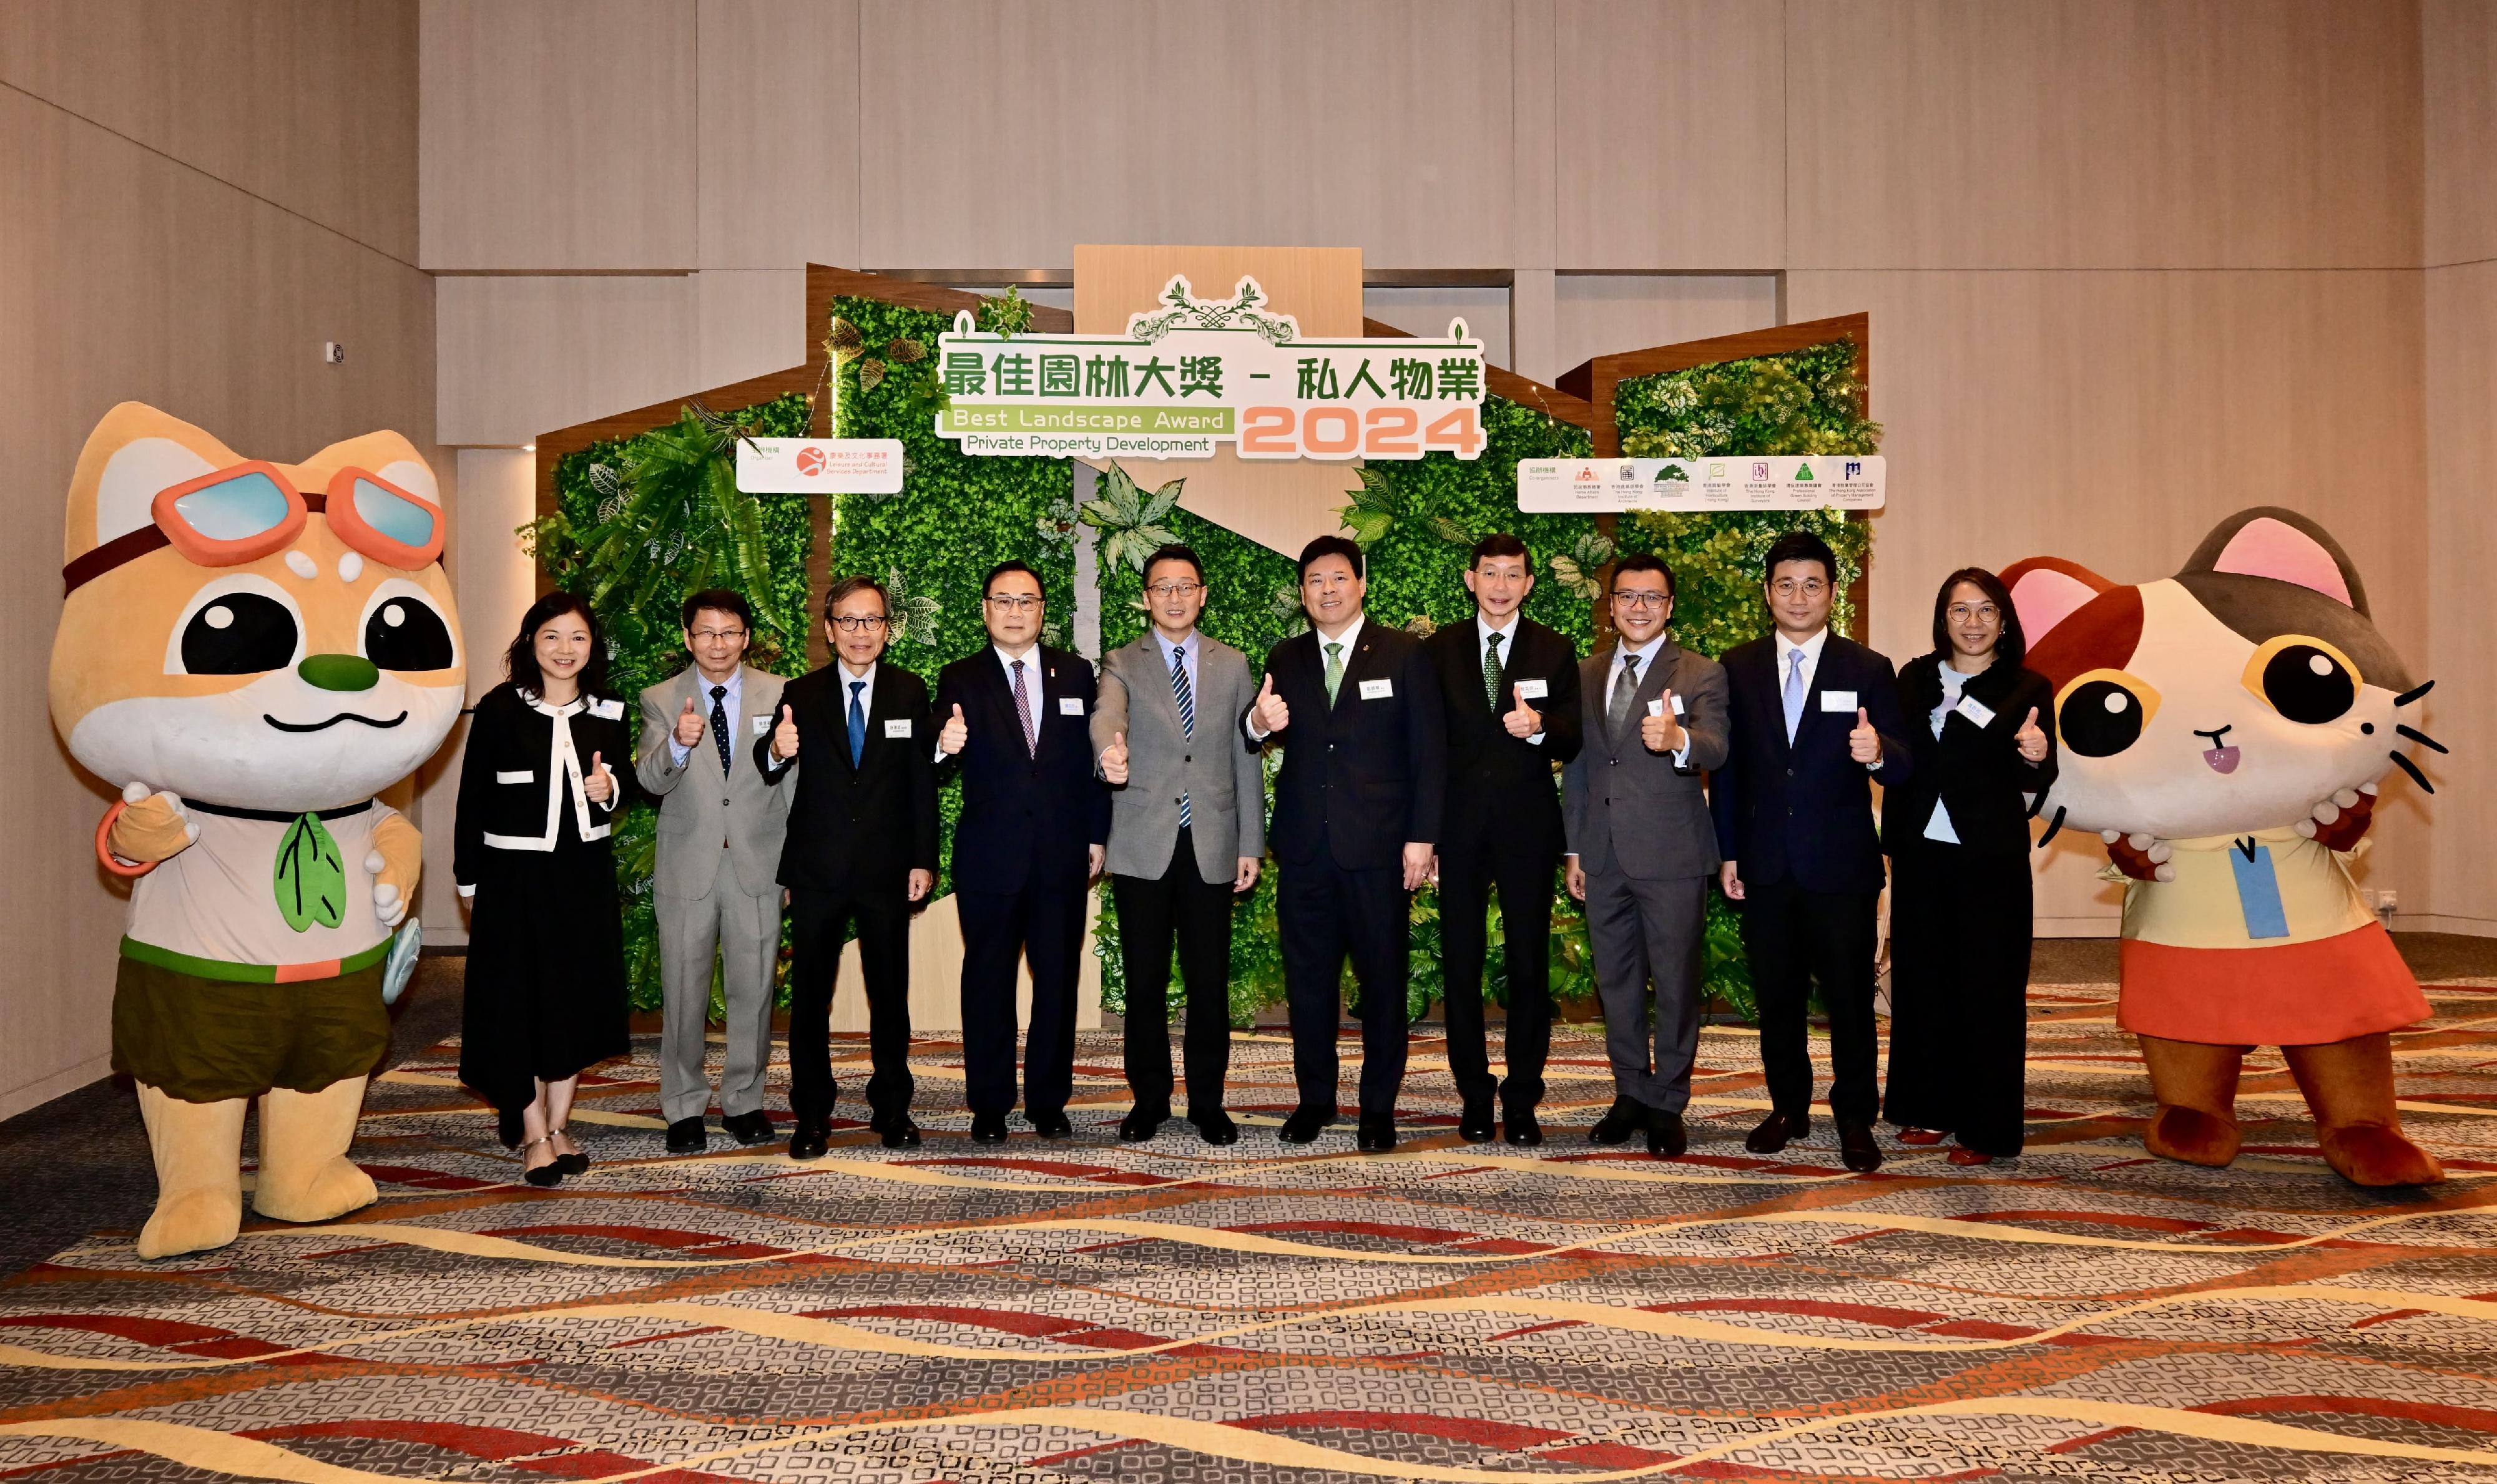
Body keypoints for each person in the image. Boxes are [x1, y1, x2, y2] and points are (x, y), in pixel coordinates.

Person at [1710, 530, 1914, 1174]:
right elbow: (1729, 772)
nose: (1799, 596)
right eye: (1785, 584)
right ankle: (1787, 1107)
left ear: (1832, 592)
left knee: (1851, 998)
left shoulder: (1867, 669)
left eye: (1812, 584)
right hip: (1766, 862)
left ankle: (1855, 1116)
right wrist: (1728, 852)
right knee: (1777, 996)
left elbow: (1904, 763)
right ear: (1768, 592)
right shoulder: (1735, 667)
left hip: (1841, 866)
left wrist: (1877, 753)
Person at [1244, 535, 1446, 1153]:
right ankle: (1315, 1099)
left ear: (1360, 583)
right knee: (1309, 983)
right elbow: (1254, 733)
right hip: (1305, 848)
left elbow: (1429, 752)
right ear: (1302, 592)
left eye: (1337, 578)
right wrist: (1257, 724)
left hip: (1380, 849)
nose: (1326, 590)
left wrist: (1422, 837)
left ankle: (1377, 1109)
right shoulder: (1287, 653)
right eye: (1314, 581)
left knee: (1382, 984)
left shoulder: (1405, 653)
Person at [455, 592, 634, 1186]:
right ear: (531, 642)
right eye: (552, 636)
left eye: (578, 637)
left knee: (572, 1000)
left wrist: (609, 789)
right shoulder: (500, 709)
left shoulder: (610, 709)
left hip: (582, 876)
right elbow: (471, 800)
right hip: (513, 880)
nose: (565, 649)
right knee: (518, 1006)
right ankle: (532, 1132)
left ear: (593, 647)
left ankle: (560, 1126)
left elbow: (623, 786)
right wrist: (469, 881)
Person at [1880, 568, 2056, 1165]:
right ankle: (1929, 1108)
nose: (1973, 622)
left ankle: (1987, 1126)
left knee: (1989, 990)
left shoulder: (2027, 687)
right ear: (1943, 619)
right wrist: (1876, 757)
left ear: (2004, 620)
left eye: (1986, 610)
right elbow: (1897, 761)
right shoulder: (1914, 678)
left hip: (1989, 858)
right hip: (1921, 851)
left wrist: (2037, 755)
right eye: (1961, 611)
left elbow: (2036, 774)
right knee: (1925, 982)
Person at [757, 576, 938, 1156]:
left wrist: (923, 859)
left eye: (874, 621)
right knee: (811, 998)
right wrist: (776, 749)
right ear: (831, 630)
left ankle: (893, 1108)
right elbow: (769, 761)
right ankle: (811, 1113)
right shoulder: (801, 693)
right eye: (850, 622)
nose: (862, 632)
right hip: (818, 869)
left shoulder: (909, 692)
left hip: (887, 868)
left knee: (891, 995)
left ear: (888, 629)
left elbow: (921, 783)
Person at [1093, 545, 1265, 1146]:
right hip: (1143, 843)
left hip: (1213, 841)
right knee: (1144, 983)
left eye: (1185, 586)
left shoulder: (1234, 663)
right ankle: (1149, 1100)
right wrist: (1109, 750)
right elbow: (1105, 716)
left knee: (1208, 983)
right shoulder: (1122, 661)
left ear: (1203, 595)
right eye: (1162, 587)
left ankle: (1209, 1104)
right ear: (1146, 597)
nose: (1174, 597)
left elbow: (1246, 757)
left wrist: (1252, 841)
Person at [935, 562, 1110, 1143]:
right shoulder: (960, 676)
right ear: (986, 609)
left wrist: (1096, 834)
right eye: (1003, 601)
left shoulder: (1077, 673)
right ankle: (989, 1103)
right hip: (991, 857)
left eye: (1026, 601)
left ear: (1042, 610)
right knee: (987, 979)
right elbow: (938, 750)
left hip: (1061, 854)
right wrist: (942, 745)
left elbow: (1097, 763)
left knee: (1057, 979)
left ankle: (1048, 1101)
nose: (1015, 612)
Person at [1562, 552, 1730, 1158]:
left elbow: (1717, 745)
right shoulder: (1584, 673)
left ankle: (1667, 1099)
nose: (1638, 607)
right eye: (1627, 596)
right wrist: (1574, 848)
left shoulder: (1700, 672)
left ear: (1669, 605)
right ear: (1610, 606)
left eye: (1651, 597)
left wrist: (1679, 738)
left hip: (1672, 852)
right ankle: (1629, 1090)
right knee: (1617, 980)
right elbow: (1581, 767)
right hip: (1602, 854)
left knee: (1677, 980)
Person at [1423, 533, 1582, 1146]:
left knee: (1527, 965)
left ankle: (1521, 1097)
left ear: (1528, 584)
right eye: (1489, 573)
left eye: (1512, 575)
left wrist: (1539, 726)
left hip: (1526, 828)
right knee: (1460, 964)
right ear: (1471, 579)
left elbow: (1573, 735)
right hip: (1457, 831)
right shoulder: (1439, 649)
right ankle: (1472, 1093)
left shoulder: (1553, 647)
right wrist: (1426, 834)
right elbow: (1427, 746)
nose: (1500, 585)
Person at [633, 590, 793, 1155]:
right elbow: (650, 782)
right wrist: (677, 744)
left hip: (759, 863)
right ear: (688, 638)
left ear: (746, 638)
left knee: (753, 991)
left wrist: (795, 862)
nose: (718, 644)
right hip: (688, 865)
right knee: (683, 990)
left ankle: (745, 1100)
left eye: (729, 633)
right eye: (705, 633)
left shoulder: (779, 694)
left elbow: (792, 782)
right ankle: (683, 1105)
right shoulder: (660, 699)